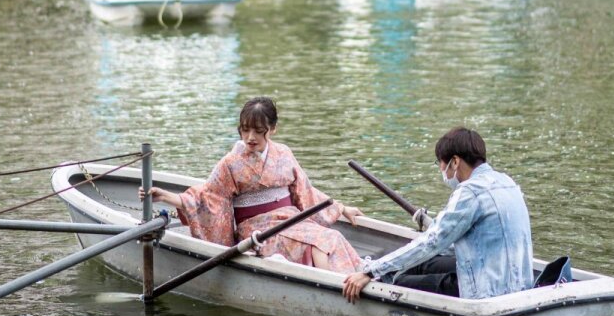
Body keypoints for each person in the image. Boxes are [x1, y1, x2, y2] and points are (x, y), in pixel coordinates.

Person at [141, 97, 365, 272]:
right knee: (319, 242)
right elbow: (208, 197)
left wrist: (342, 208)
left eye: (258, 131)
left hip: (290, 220)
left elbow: (304, 191)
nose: (250, 137)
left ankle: (347, 280)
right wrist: (167, 197)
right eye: (245, 130)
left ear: (273, 129)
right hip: (258, 230)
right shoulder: (231, 163)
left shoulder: (284, 153)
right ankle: (333, 287)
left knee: (332, 237)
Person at [342, 127, 532, 302]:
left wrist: (371, 272)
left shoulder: (470, 192)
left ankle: (373, 271)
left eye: (441, 163)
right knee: (425, 263)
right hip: (518, 284)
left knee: (399, 282)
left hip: (485, 290)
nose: (441, 170)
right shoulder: (507, 182)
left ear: (455, 162)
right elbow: (450, 242)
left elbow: (432, 242)